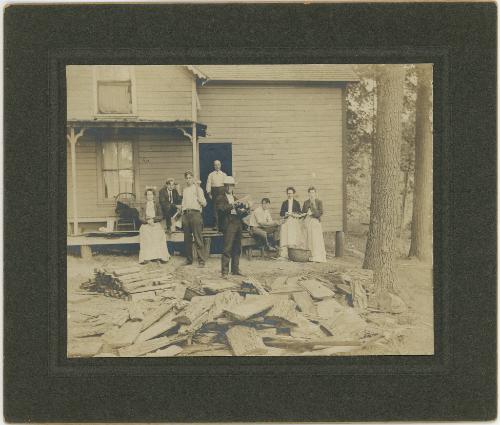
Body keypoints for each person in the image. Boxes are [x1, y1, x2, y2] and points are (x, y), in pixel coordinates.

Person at [219, 176, 249, 278]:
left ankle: (235, 269)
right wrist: (234, 205)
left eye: (231, 186)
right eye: (227, 186)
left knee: (237, 248)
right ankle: (225, 272)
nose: (229, 188)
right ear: (225, 187)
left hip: (238, 223)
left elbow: (241, 213)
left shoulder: (235, 198)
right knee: (227, 248)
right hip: (229, 224)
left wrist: (246, 209)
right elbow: (222, 209)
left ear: (233, 187)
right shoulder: (221, 197)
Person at [181, 171, 207, 267]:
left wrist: (200, 201)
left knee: (198, 238)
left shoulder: (198, 189)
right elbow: (183, 203)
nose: (188, 180)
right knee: (187, 239)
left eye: (190, 178)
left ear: (193, 179)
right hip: (186, 215)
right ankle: (189, 259)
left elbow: (204, 203)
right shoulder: (184, 190)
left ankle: (201, 261)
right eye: (186, 178)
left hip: (195, 214)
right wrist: (183, 212)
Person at [139, 188, 170, 265]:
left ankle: (160, 256)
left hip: (155, 223)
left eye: (151, 194)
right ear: (146, 196)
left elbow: (161, 216)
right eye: (148, 194)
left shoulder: (157, 204)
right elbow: (140, 217)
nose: (149, 196)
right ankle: (146, 257)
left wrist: (153, 220)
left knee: (159, 234)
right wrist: (147, 221)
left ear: (153, 196)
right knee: (145, 234)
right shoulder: (143, 205)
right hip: (146, 224)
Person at [279, 186, 306, 258]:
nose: (289, 195)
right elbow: (281, 213)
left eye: (291, 193)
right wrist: (286, 213)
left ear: (293, 194)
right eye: (288, 193)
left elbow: (299, 213)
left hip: (294, 221)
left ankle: (293, 254)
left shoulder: (296, 203)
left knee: (293, 236)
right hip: (286, 221)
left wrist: (294, 214)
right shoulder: (284, 203)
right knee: (285, 235)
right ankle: (285, 253)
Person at [302, 186, 327, 262]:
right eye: (310, 192)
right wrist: (307, 213)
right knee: (309, 238)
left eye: (313, 192)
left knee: (316, 239)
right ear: (308, 193)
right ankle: (309, 255)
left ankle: (317, 256)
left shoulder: (319, 202)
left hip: (316, 222)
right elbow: (303, 212)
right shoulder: (306, 202)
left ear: (315, 193)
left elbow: (320, 213)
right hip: (308, 222)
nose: (311, 194)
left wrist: (312, 212)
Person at [206, 160, 227, 231]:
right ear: (214, 166)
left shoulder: (224, 174)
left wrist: (226, 194)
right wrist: (209, 193)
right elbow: (208, 184)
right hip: (214, 192)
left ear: (220, 165)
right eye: (215, 165)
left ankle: (222, 225)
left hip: (222, 191)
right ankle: (216, 225)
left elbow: (226, 184)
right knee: (215, 209)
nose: (217, 166)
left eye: (218, 164)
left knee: (222, 208)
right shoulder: (211, 175)